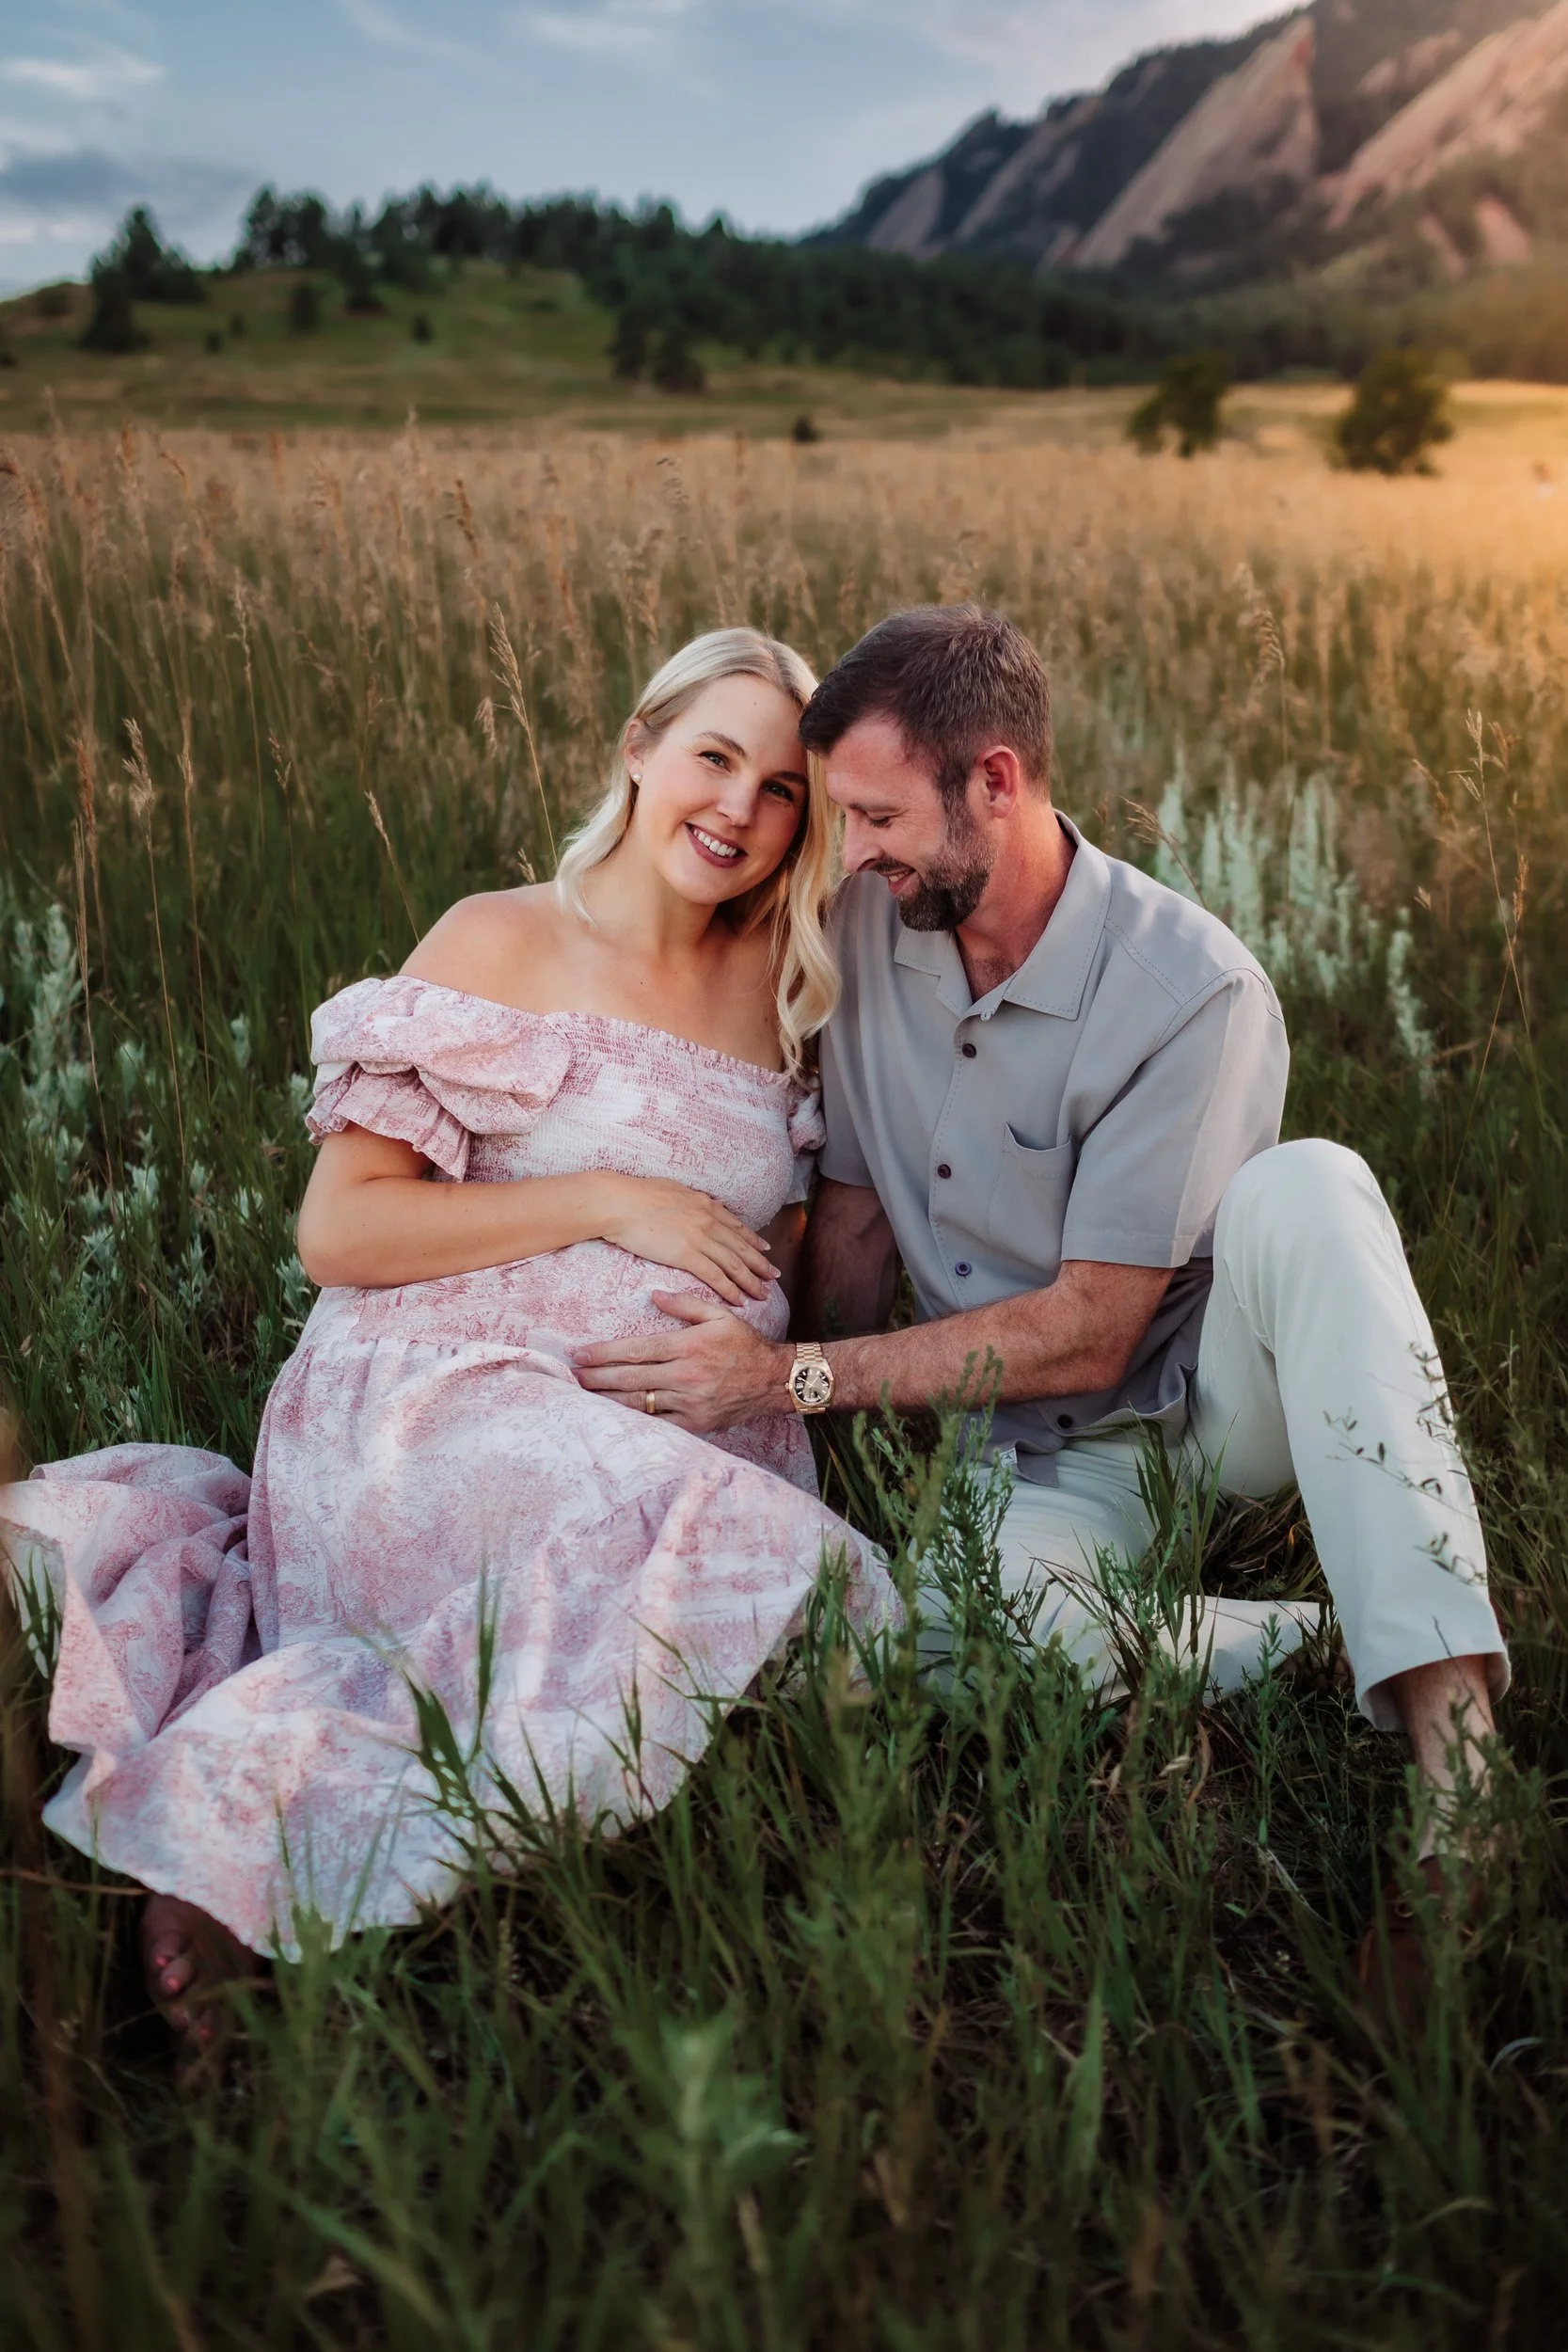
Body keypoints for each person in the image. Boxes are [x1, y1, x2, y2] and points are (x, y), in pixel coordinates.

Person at [575, 604, 1510, 1994]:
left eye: (881, 816)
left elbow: (1093, 1326)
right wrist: (818, 1475)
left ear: (995, 783)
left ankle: (1459, 1784)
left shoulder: (1189, 991)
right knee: (962, 1650)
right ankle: (1322, 1641)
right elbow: (855, 1214)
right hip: (1022, 1451)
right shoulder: (861, 934)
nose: (857, 851)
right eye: (844, 817)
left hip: (1199, 1399)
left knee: (1311, 1185)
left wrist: (789, 1383)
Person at [0, 629, 896, 2057]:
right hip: (427, 1389)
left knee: (770, 1571)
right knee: (655, 1549)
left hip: (675, 1411)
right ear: (638, 748)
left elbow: (782, 1245)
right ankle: (228, 1839)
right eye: (712, 757)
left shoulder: (790, 987)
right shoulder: (499, 938)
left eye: (781, 789)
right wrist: (614, 1202)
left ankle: (314, 1816)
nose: (736, 807)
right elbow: (342, 1233)